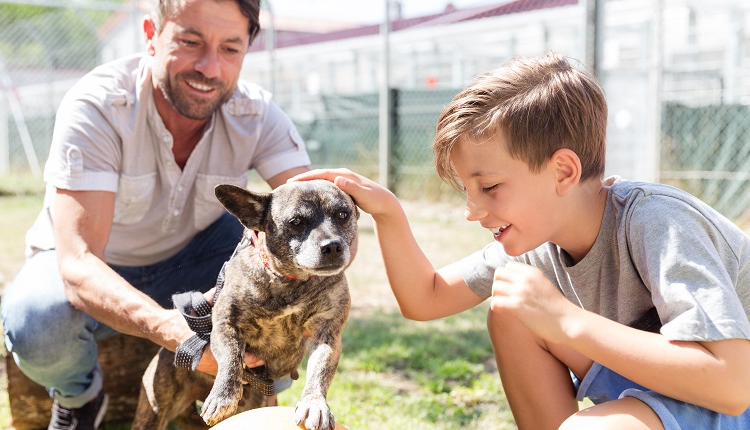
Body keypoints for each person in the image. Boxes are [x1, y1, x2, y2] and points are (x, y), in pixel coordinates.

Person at [292, 52, 750, 429]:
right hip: (665, 387)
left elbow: (731, 386)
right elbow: (425, 298)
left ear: (563, 172)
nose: (473, 210)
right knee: (511, 311)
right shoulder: (539, 237)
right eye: (467, 192)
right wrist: (389, 213)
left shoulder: (658, 221)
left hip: (732, 396)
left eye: (489, 188)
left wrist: (565, 320)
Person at [1, 0, 310, 428]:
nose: (210, 67)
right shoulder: (99, 104)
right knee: (37, 323)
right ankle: (79, 398)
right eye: (190, 41)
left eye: (230, 49)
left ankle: (251, 398)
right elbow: (78, 261)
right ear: (151, 34)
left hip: (196, 260)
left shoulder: (258, 114)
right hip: (90, 265)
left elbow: (312, 209)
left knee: (287, 266)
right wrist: (173, 332)